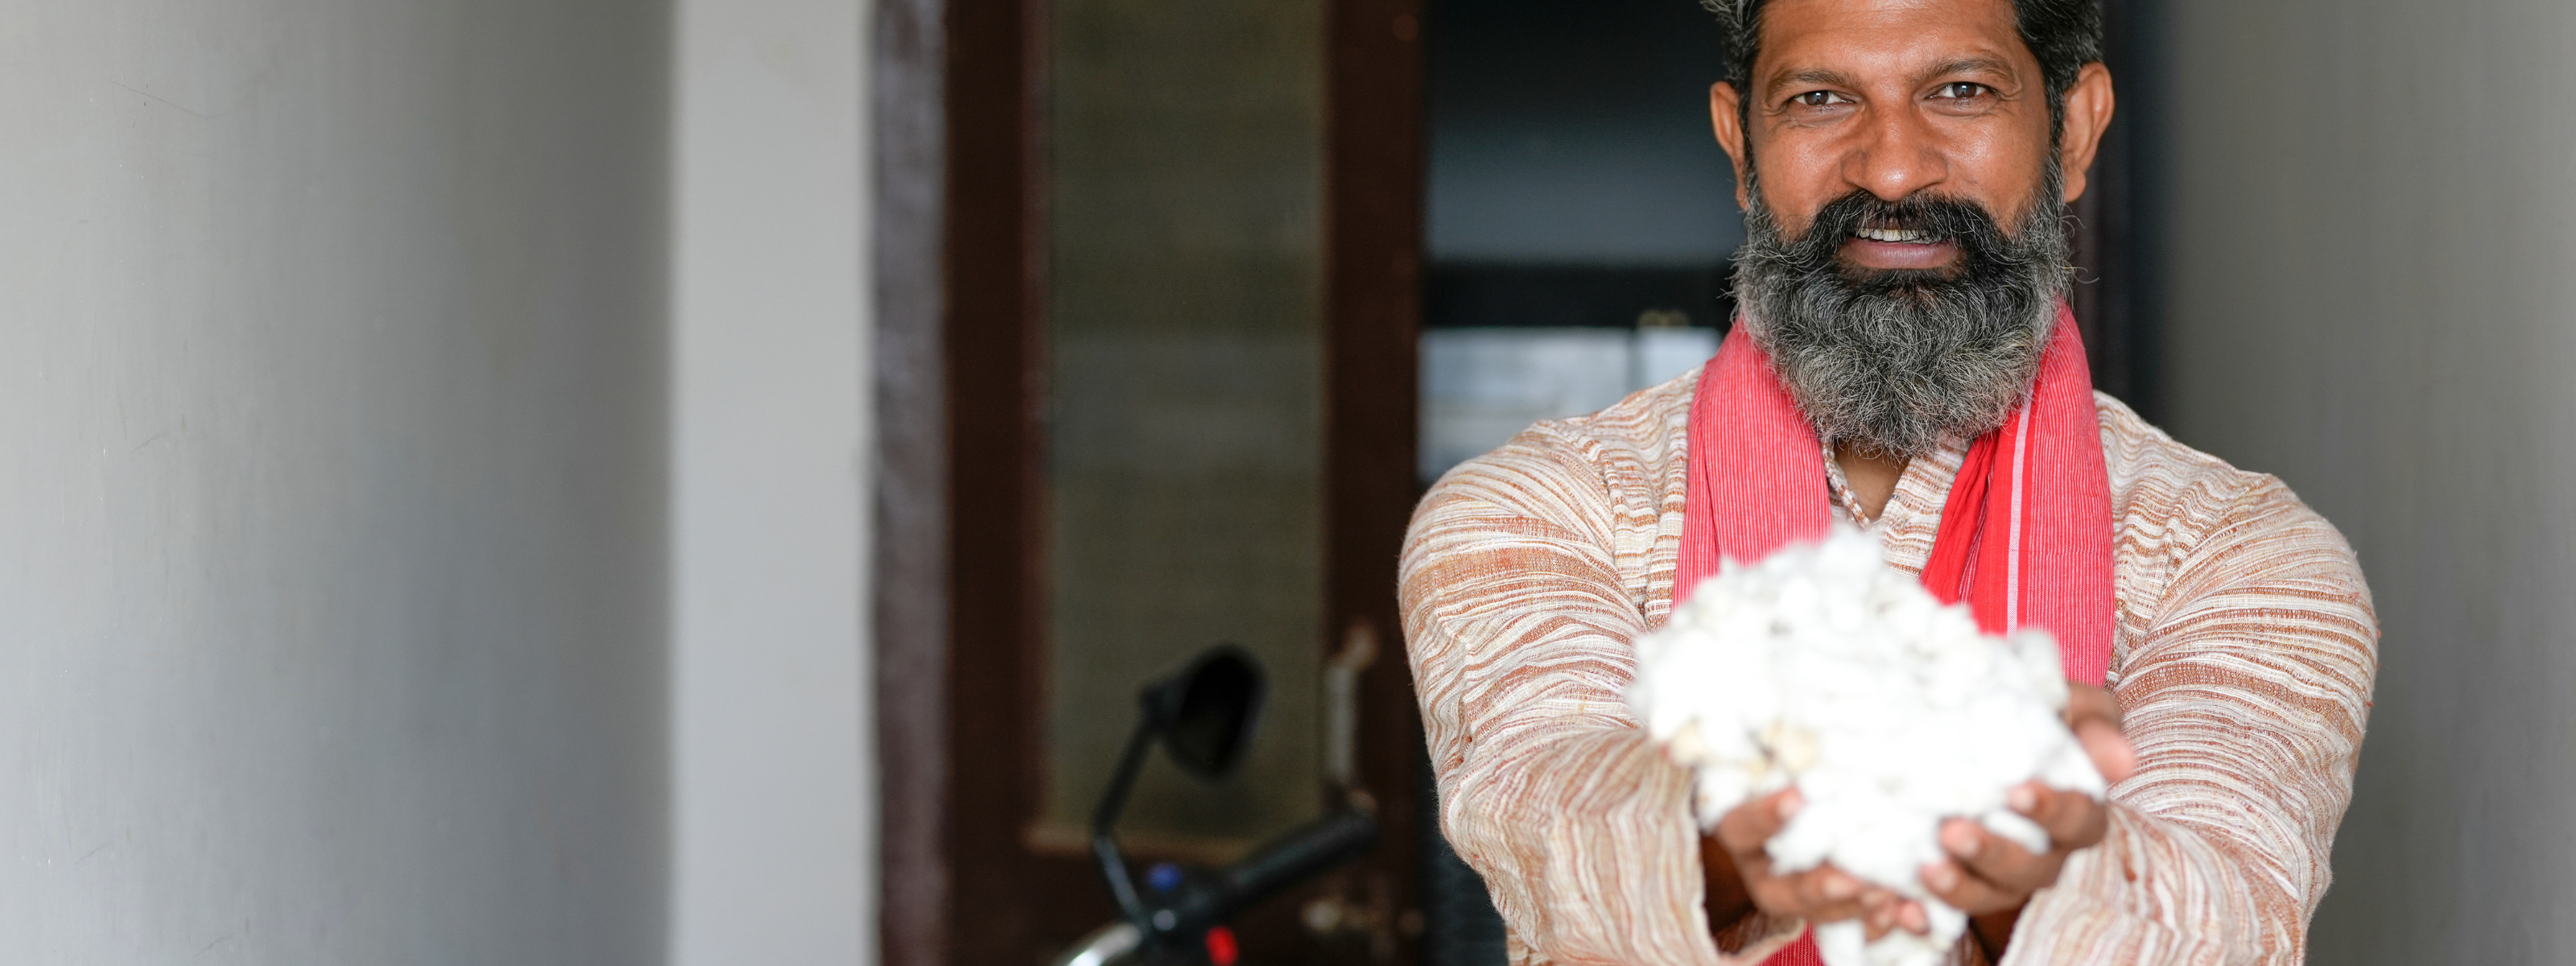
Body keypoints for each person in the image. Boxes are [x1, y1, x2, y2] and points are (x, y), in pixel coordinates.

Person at [1397, 0, 2378, 962]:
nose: (1893, 167)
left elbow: (2223, 915)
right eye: (1820, 98)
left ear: (2072, 131)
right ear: (1740, 145)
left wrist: (2013, 848)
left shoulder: (2239, 555)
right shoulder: (1535, 512)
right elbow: (1550, 818)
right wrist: (1755, 823)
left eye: (1960, 90)